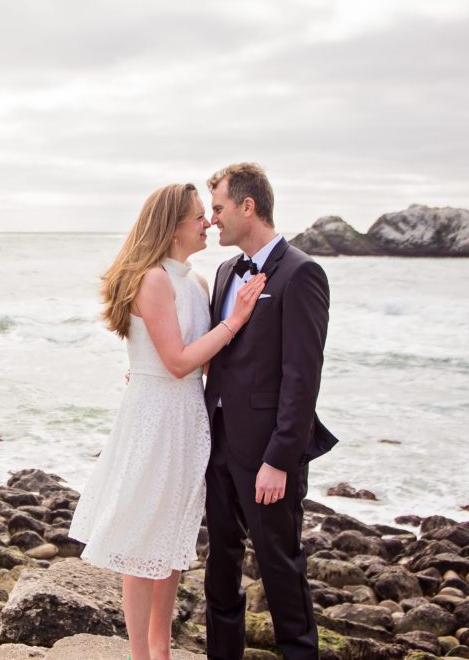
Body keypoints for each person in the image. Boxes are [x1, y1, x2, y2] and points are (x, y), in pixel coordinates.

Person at [69, 183, 266, 660]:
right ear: (173, 226)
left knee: (172, 536)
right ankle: (142, 655)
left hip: (186, 417)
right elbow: (178, 362)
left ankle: (163, 650)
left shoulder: (195, 283)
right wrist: (235, 320)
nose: (209, 223)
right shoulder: (152, 279)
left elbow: (202, 363)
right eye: (200, 216)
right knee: (141, 544)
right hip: (155, 417)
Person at [202, 163, 338, 660]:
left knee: (281, 565)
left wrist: (280, 458)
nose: (212, 219)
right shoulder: (222, 272)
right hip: (216, 442)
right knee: (220, 565)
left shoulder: (302, 273)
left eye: (217, 208)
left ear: (247, 206)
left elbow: (303, 378)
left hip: (267, 455)